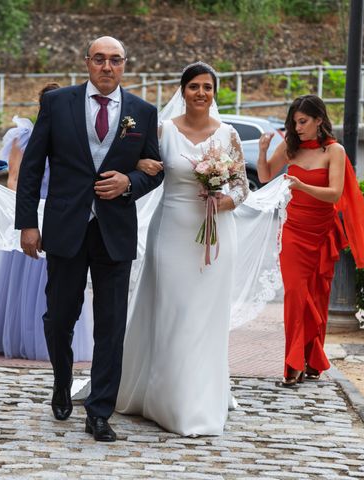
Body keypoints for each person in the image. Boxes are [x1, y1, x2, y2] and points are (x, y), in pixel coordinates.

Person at [15, 36, 163, 442]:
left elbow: (155, 169)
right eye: (100, 59)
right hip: (65, 227)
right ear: (87, 63)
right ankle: (62, 380)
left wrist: (129, 181)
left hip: (114, 232)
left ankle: (99, 411)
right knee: (60, 316)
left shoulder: (143, 112)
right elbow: (32, 168)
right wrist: (28, 223)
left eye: (115, 60)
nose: (107, 67)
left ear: (124, 65)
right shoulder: (58, 103)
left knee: (111, 326)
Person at [115, 61, 250, 436]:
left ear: (214, 93)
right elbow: (146, 170)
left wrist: (227, 200)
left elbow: (242, 185)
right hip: (171, 231)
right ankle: (163, 397)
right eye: (194, 86)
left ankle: (198, 398)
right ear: (183, 90)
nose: (201, 93)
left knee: (204, 316)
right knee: (173, 311)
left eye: (208, 87)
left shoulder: (228, 135)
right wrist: (138, 163)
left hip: (216, 235)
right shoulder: (164, 131)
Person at [257, 94, 364, 386]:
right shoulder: (290, 147)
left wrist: (301, 185)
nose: (297, 128)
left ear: (319, 120)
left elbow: (335, 193)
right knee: (296, 296)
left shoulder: (333, 151)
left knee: (317, 298)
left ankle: (312, 359)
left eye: (303, 122)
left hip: (322, 232)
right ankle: (293, 363)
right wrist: (263, 151)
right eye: (294, 122)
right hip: (293, 232)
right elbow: (264, 176)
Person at [0, 83, 94, 361]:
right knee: (23, 280)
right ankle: (23, 336)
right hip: (33, 211)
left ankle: (56, 343)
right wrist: (17, 215)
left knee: (61, 281)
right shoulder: (23, 136)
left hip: (63, 213)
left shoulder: (76, 137)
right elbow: (15, 177)